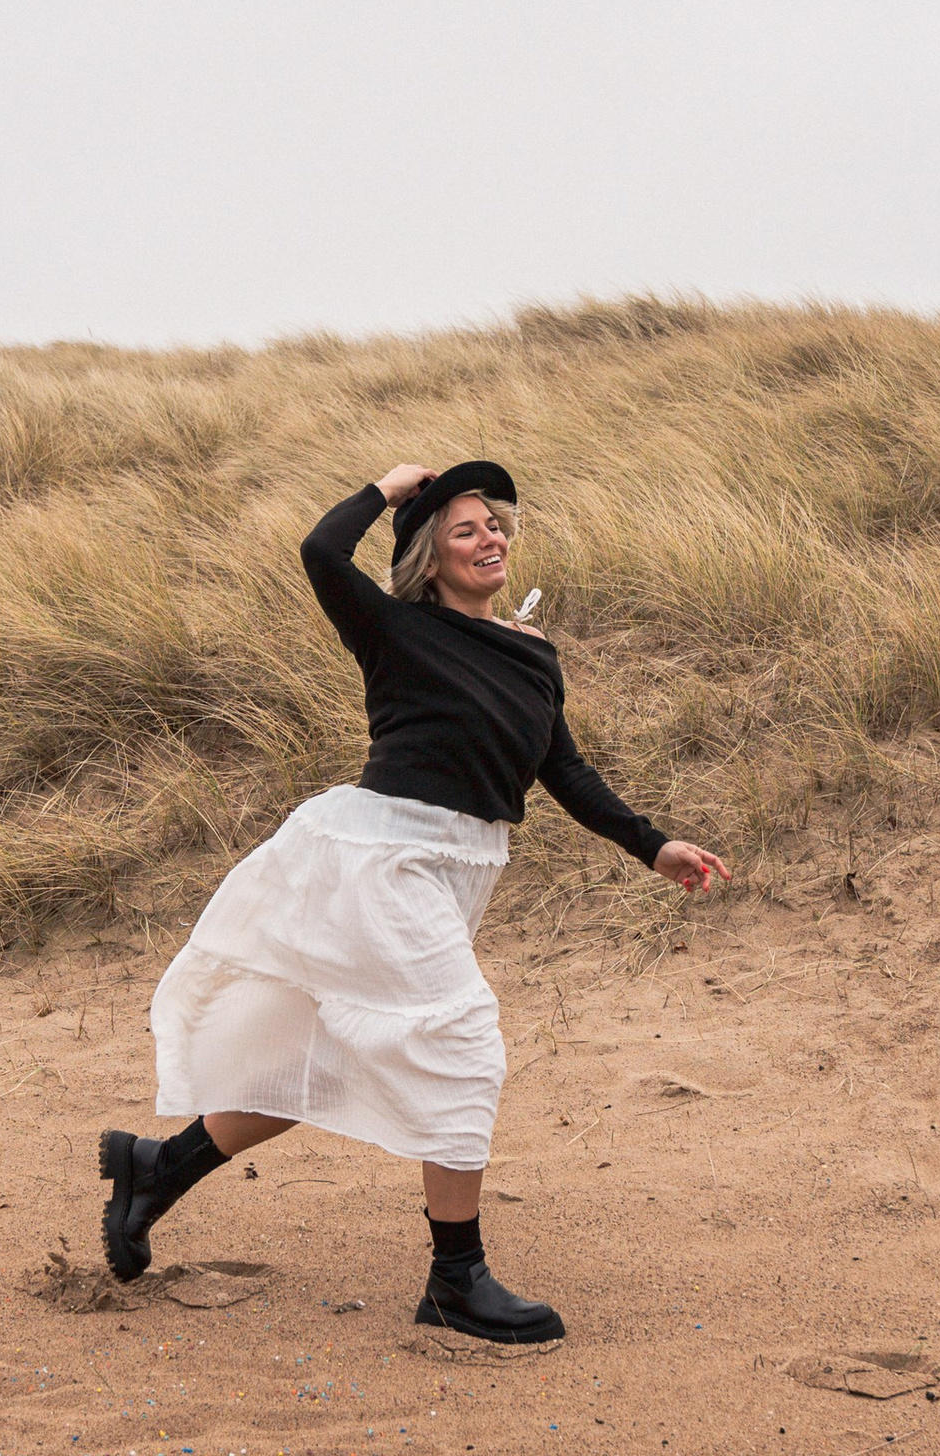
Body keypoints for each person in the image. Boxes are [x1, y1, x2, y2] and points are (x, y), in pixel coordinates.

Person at [100, 459, 728, 1342]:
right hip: (379, 858)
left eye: (497, 524)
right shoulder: (394, 628)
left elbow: (564, 770)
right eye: (466, 528)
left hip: (459, 866)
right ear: (429, 555)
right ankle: (456, 1278)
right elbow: (322, 552)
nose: (490, 537)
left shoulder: (532, 655)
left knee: (319, 1056)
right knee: (462, 1041)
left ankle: (157, 1169)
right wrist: (386, 492)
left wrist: (651, 844)